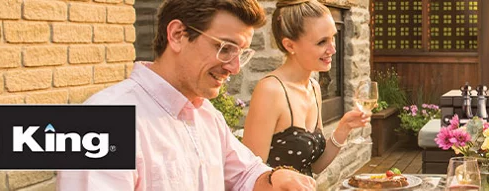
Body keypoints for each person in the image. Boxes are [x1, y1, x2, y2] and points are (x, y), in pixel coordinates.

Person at [57, 0, 315, 190]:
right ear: (178, 35)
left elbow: (245, 173)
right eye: (225, 48)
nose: (234, 68)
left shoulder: (207, 116)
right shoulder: (100, 123)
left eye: (241, 54)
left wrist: (276, 178)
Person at [241, 0, 371, 178]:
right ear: (290, 45)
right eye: (321, 42)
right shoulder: (271, 91)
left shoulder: (313, 87)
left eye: (333, 38)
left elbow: (315, 166)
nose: (332, 49)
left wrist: (344, 127)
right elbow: (249, 176)